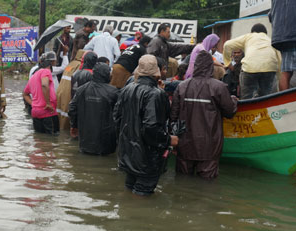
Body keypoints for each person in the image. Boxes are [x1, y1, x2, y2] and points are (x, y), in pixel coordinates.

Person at [114, 55, 178, 196]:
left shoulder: (127, 89)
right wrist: (169, 140)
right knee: (143, 193)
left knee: (130, 188)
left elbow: (117, 117)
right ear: (156, 72)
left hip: (128, 153)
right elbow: (152, 127)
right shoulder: (155, 94)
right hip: (147, 157)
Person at [170, 51, 237, 179]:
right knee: (207, 185)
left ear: (195, 66)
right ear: (211, 67)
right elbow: (230, 112)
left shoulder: (182, 86)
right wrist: (233, 100)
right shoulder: (219, 87)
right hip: (209, 146)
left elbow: (173, 116)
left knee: (182, 182)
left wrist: (173, 140)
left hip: (184, 145)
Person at [68, 63, 119, 155]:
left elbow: (72, 108)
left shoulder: (81, 90)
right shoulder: (114, 92)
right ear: (107, 74)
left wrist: (74, 125)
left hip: (85, 138)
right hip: (106, 140)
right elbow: (119, 114)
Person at [223, 23, 282, 99]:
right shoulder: (269, 40)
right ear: (265, 33)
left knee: (247, 97)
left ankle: (247, 107)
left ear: (252, 32)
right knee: (266, 97)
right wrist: (279, 76)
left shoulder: (249, 36)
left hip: (250, 67)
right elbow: (279, 59)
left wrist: (228, 63)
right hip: (270, 68)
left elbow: (227, 45)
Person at [24, 53, 59, 134]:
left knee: (39, 139)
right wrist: (48, 103)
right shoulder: (46, 71)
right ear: (50, 64)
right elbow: (44, 84)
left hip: (36, 112)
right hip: (48, 112)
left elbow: (25, 94)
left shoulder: (33, 76)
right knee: (52, 140)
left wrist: (33, 104)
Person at [56, 48, 86, 130]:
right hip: (68, 92)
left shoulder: (71, 63)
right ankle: (65, 133)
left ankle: (60, 130)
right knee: (67, 113)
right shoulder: (80, 65)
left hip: (60, 90)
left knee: (60, 111)